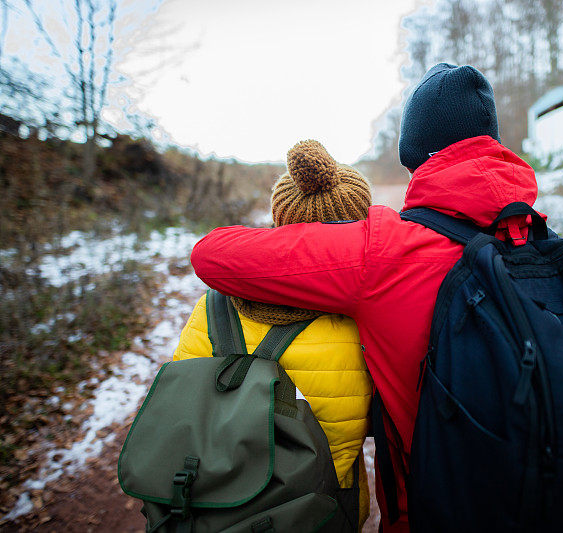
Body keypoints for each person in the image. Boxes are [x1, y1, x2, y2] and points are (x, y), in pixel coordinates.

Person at [190, 63, 544, 532]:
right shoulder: (543, 241)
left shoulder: (386, 251)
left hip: (439, 510)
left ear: (415, 153)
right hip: (556, 495)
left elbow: (213, 255)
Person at [174, 139, 374, 530]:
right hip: (318, 514)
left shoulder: (211, 306)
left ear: (280, 222)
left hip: (215, 508)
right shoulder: (358, 321)